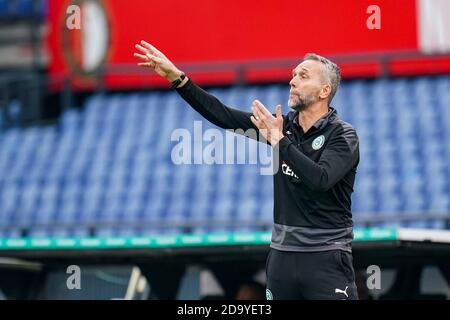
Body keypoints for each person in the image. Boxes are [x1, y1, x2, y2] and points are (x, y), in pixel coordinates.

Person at [134, 40, 360, 300]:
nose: (293, 81)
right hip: (282, 259)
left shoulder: (342, 135)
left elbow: (320, 179)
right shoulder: (281, 127)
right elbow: (223, 115)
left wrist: (280, 142)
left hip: (326, 257)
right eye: (293, 75)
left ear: (324, 91)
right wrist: (178, 79)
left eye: (303, 76)